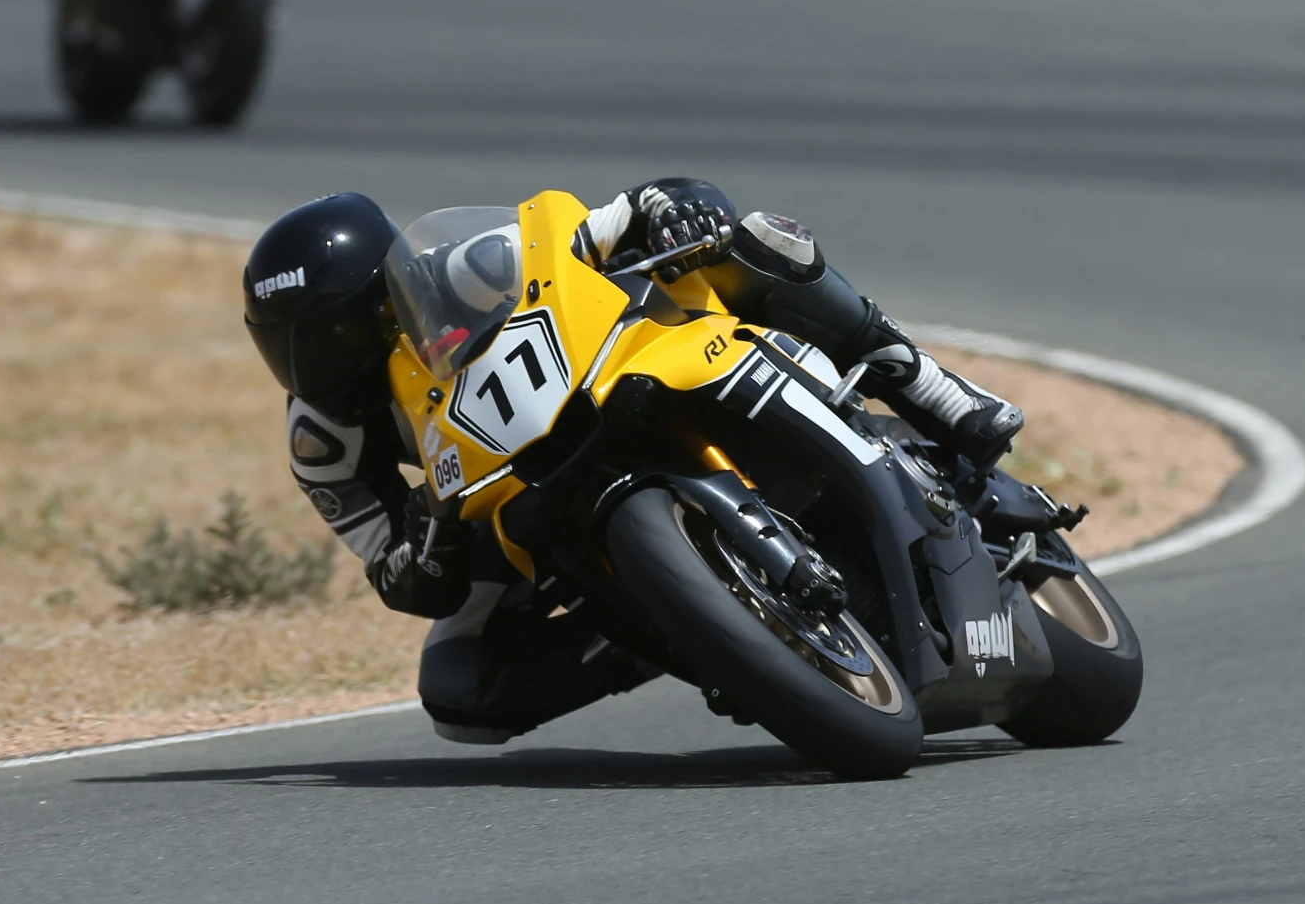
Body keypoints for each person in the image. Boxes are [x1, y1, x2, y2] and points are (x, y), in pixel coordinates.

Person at [242, 180, 1027, 747]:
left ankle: (929, 384)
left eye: (335, 331)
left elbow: (596, 226)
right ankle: (682, 624)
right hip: (498, 504)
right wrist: (434, 541)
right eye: (292, 345)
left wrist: (666, 203)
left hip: (621, 373)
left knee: (747, 240)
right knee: (457, 693)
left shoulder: (465, 264)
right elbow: (394, 575)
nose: (318, 361)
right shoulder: (321, 444)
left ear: (384, 296)